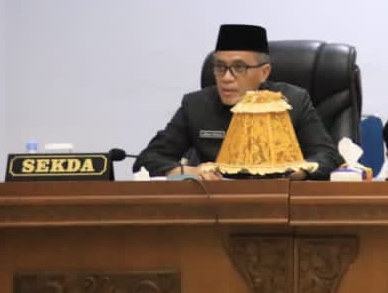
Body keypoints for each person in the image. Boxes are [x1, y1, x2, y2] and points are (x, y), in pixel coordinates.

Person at [135, 23, 339, 180]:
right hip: (217, 204)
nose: (226, 78)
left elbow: (328, 156)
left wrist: (299, 172)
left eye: (239, 68)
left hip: (280, 199)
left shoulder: (292, 101)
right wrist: (188, 172)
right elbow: (147, 160)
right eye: (220, 67)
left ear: (264, 72)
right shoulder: (196, 105)